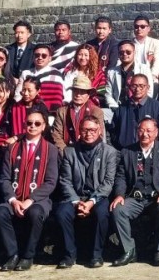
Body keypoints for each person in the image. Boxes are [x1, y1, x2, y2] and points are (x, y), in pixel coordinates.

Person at [0, 111, 60, 272]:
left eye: (37, 123)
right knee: (0, 213)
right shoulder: (13, 147)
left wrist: (30, 200)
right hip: (15, 198)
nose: (32, 126)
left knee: (36, 213)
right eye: (29, 123)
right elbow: (4, 178)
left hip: (38, 199)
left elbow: (51, 181)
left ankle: (27, 256)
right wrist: (12, 200)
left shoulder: (51, 149)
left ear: (44, 126)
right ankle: (13, 254)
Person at [54, 115, 119, 269]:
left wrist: (91, 202)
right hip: (75, 196)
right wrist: (77, 202)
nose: (88, 133)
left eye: (92, 130)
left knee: (102, 213)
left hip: (98, 197)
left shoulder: (109, 152)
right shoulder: (70, 152)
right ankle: (69, 254)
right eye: (84, 129)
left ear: (100, 131)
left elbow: (108, 182)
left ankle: (96, 255)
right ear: (79, 131)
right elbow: (65, 181)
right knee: (62, 213)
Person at [110, 118, 159, 267]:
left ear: (156, 132)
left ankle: (158, 251)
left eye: (149, 131)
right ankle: (129, 250)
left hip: (156, 197)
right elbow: (121, 177)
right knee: (117, 209)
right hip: (135, 197)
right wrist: (119, 194)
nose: (145, 134)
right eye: (141, 130)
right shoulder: (127, 151)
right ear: (137, 131)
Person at [108, 73, 159, 149]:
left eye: (141, 86)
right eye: (134, 86)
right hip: (125, 152)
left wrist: (153, 146)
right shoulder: (122, 108)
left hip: (151, 152)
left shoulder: (158, 107)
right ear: (130, 87)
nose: (137, 89)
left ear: (148, 87)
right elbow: (113, 130)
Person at [53, 75, 106, 151]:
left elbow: (99, 135)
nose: (78, 95)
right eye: (75, 91)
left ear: (88, 95)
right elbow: (57, 135)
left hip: (88, 153)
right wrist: (66, 153)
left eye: (82, 92)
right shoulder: (62, 111)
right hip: (65, 152)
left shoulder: (97, 112)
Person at [106, 39, 156, 109]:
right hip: (118, 107)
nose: (125, 54)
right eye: (121, 52)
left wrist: (142, 105)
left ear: (134, 52)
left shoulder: (144, 69)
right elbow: (108, 94)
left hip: (140, 107)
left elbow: (149, 90)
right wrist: (115, 108)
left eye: (128, 52)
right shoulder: (111, 72)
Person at [15, 45, 66, 112]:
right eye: (37, 55)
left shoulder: (56, 75)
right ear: (33, 57)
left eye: (44, 56)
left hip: (50, 114)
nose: (40, 58)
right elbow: (18, 95)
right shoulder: (26, 73)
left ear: (50, 58)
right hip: (26, 112)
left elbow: (62, 97)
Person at [131, 14, 159, 81]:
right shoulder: (129, 44)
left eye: (142, 26)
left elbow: (157, 61)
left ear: (148, 29)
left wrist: (152, 76)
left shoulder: (155, 43)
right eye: (136, 26)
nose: (139, 29)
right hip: (132, 76)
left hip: (150, 76)